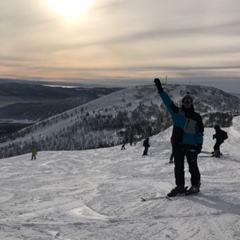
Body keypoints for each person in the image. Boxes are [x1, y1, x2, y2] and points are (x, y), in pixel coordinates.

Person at [154, 78, 204, 196]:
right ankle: (180, 186)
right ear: (182, 102)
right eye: (185, 100)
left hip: (191, 145)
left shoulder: (197, 117)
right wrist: (160, 89)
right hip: (177, 144)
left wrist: (199, 145)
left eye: (189, 100)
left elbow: (200, 132)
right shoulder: (176, 112)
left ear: (192, 103)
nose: (187, 102)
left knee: (193, 167)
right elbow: (167, 101)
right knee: (178, 167)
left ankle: (195, 185)